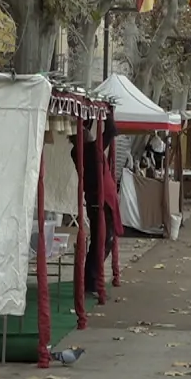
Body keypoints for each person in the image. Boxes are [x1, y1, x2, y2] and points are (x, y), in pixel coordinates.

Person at [70, 113, 119, 296]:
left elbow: (101, 133)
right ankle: (91, 280)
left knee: (101, 242)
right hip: (99, 200)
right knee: (103, 242)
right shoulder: (91, 150)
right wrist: (108, 113)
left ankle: (90, 280)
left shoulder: (82, 150)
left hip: (97, 199)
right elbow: (111, 130)